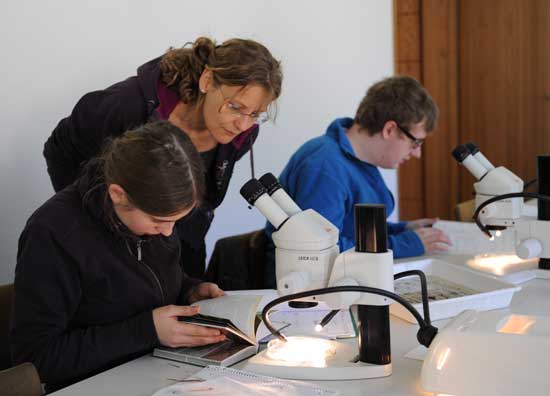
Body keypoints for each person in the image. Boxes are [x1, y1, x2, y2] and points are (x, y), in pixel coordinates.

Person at [11, 121, 227, 392]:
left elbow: (144, 280)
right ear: (117, 194)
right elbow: (36, 357)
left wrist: (189, 290)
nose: (168, 232)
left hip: (160, 371)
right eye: (159, 221)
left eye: (176, 221)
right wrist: (146, 331)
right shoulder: (53, 234)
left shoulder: (151, 216)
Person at [43, 37, 283, 278]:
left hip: (183, 247)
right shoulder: (127, 104)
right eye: (235, 106)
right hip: (116, 247)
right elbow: (61, 148)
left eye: (255, 114)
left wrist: (189, 285)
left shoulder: (242, 134)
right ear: (207, 80)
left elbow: (199, 206)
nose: (243, 124)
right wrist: (96, 219)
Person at [264, 76, 452, 287]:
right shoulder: (325, 167)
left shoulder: (357, 159)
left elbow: (351, 228)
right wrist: (405, 244)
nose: (416, 153)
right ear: (390, 129)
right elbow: (322, 252)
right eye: (415, 142)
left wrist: (403, 229)